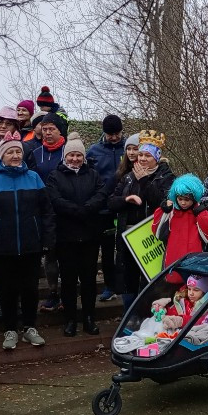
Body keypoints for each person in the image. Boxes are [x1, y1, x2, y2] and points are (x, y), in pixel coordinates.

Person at [0, 132, 55, 351]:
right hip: (2, 247)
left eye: (18, 152)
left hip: (31, 244)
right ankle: (10, 329)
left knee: (30, 289)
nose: (15, 155)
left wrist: (47, 238)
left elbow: (46, 211)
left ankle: (30, 328)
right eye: (10, 152)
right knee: (7, 289)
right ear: (2, 156)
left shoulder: (33, 177)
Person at [46, 132, 107, 337]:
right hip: (66, 236)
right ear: (65, 156)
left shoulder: (93, 174)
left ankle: (89, 318)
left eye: (78, 155)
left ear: (83, 156)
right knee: (69, 280)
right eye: (71, 155)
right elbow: (54, 199)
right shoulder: (56, 175)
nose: (75, 159)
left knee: (89, 280)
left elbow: (101, 194)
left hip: (89, 235)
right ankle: (70, 319)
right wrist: (76, 210)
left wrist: (87, 208)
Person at [109, 131, 174, 310]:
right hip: (129, 236)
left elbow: (163, 203)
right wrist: (125, 199)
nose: (142, 159)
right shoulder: (128, 176)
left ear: (157, 158)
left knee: (150, 279)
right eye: (140, 155)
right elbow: (111, 202)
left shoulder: (166, 177)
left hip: (152, 237)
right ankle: (129, 316)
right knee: (128, 278)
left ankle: (148, 315)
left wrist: (145, 181)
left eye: (147, 155)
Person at [25, 111, 68, 311]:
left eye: (52, 129)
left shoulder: (69, 151)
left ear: (61, 131)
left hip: (67, 211)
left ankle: (67, 293)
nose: (48, 132)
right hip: (45, 211)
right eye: (45, 129)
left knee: (68, 255)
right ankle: (53, 292)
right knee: (50, 256)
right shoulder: (35, 154)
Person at [86, 115, 126, 300]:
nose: (114, 137)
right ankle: (109, 286)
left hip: (125, 206)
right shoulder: (93, 151)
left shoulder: (129, 149)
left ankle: (124, 284)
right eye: (110, 134)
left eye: (117, 133)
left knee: (125, 250)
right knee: (108, 251)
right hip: (103, 210)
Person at [153, 173, 208, 279]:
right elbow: (157, 232)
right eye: (180, 199)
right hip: (173, 258)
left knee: (193, 286)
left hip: (194, 259)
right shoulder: (171, 211)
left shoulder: (199, 211)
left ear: (194, 198)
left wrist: (201, 213)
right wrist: (163, 211)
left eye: (187, 200)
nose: (183, 203)